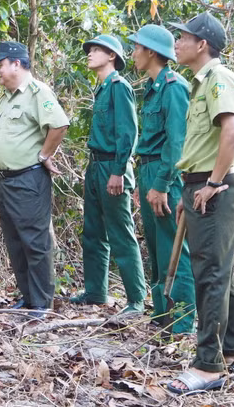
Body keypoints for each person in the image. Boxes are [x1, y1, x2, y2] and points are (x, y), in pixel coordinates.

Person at [166, 12, 234, 394]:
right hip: (200, 184)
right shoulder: (200, 84)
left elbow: (232, 130)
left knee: (210, 276)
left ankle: (208, 367)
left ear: (202, 44)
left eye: (182, 37)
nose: (177, 43)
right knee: (222, 273)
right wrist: (193, 188)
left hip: (213, 187)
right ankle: (229, 352)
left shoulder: (218, 79)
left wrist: (212, 183)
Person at [0, 41, 69, 317]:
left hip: (29, 179)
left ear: (16, 64)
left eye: (0, 65)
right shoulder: (6, 98)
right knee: (15, 242)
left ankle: (42, 303)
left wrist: (45, 155)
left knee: (35, 241)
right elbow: (5, 138)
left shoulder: (37, 92)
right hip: (6, 181)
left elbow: (59, 124)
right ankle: (28, 297)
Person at [72, 34, 146, 317]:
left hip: (112, 168)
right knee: (92, 231)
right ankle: (95, 292)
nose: (89, 53)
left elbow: (128, 133)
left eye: (96, 50)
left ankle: (136, 300)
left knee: (120, 232)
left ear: (112, 56)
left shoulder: (118, 87)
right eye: (88, 49)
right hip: (95, 166)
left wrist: (118, 172)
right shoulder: (102, 88)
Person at [129, 24, 196, 334]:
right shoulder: (153, 88)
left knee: (175, 251)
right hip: (148, 173)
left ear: (152, 52)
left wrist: (161, 185)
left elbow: (176, 142)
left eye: (137, 48)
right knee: (156, 250)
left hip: (164, 176)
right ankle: (162, 320)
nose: (133, 54)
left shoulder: (174, 87)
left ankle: (181, 325)